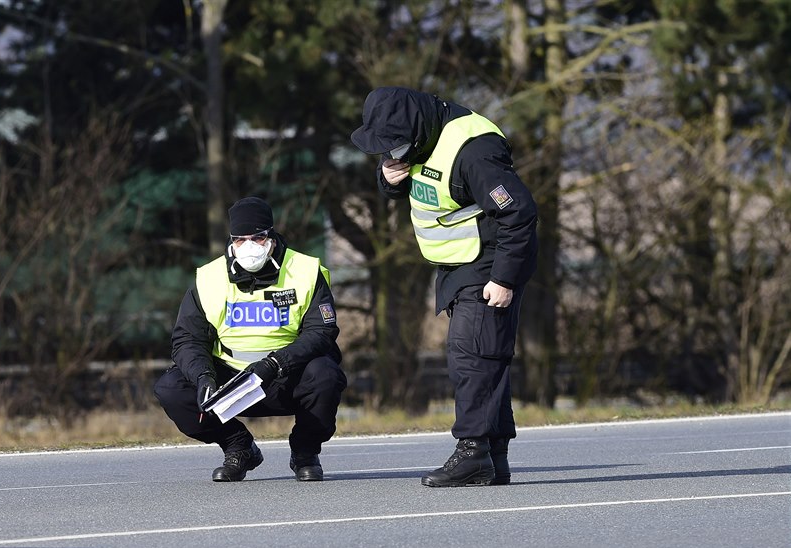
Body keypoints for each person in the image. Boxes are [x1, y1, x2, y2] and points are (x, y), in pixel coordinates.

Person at [350, 86, 538, 487]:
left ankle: (472, 452)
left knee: (471, 355)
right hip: (455, 266)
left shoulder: (475, 151)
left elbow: (519, 214)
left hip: (487, 263)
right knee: (486, 358)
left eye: (395, 148)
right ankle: (493, 456)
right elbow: (423, 189)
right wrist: (389, 179)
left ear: (415, 133)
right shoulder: (414, 139)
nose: (392, 154)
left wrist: (504, 278)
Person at [154, 196, 347, 482]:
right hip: (230, 383)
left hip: (286, 376)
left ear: (271, 236)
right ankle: (238, 447)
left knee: (326, 374)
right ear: (231, 240)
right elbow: (187, 339)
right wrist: (203, 377)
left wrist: (275, 363)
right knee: (171, 387)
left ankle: (305, 451)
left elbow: (322, 332)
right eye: (240, 239)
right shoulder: (208, 278)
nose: (249, 247)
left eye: (258, 238)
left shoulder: (305, 271)